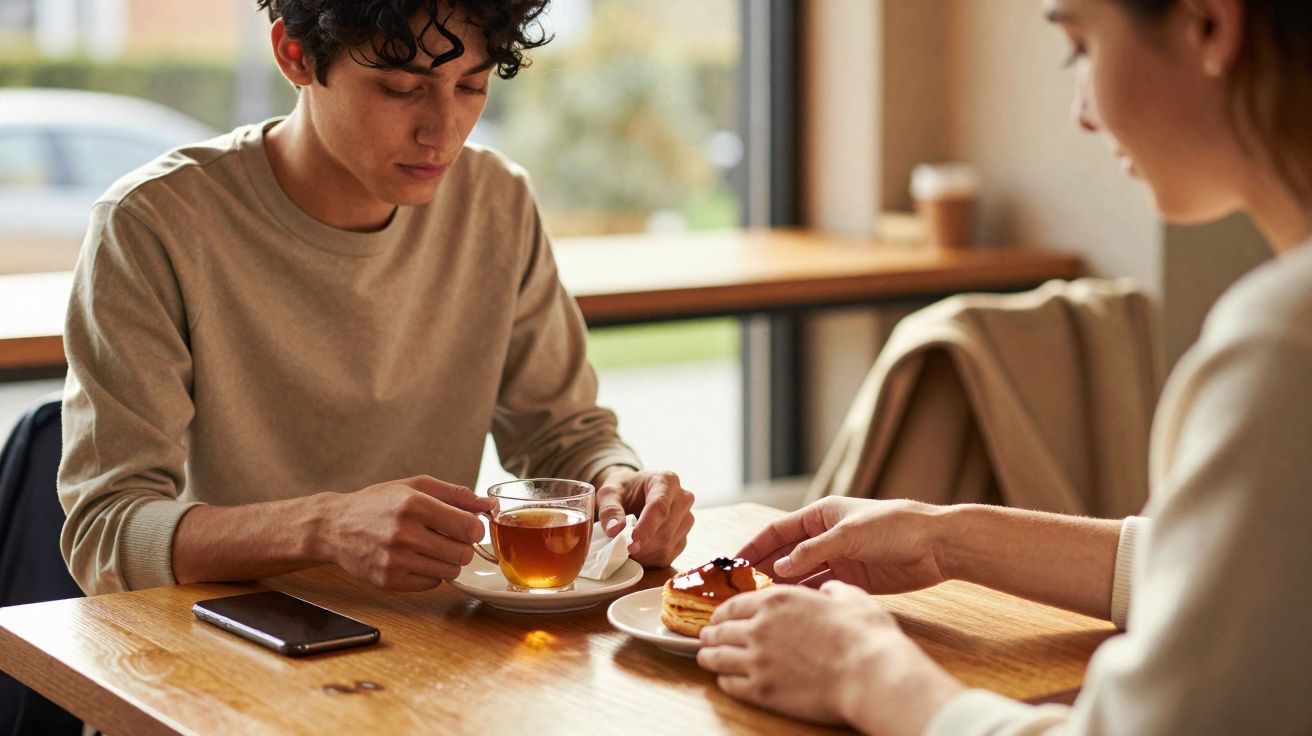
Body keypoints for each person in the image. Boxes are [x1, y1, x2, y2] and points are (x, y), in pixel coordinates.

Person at [697, 0, 1312, 733]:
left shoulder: (1282, 348)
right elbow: (1254, 574)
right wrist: (944, 535)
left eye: (1078, 46)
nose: (1083, 112)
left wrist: (864, 673)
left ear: (1209, 26)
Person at [57, 0, 695, 597]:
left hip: (424, 638)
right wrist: (325, 529)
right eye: (401, 89)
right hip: (219, 649)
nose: (442, 131)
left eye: (471, 86)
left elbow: (562, 435)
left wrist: (615, 483)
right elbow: (105, 533)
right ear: (295, 55)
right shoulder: (154, 222)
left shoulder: (495, 202)